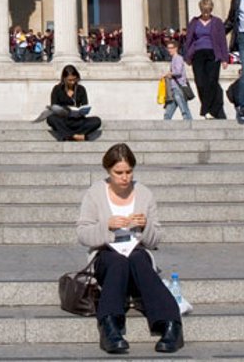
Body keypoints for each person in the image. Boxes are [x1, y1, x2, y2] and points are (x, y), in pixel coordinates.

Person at [76, 143, 183, 355]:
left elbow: (155, 240)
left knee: (137, 258)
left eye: (128, 172)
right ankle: (110, 325)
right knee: (117, 260)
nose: (124, 177)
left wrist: (144, 227)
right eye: (119, 173)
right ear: (108, 171)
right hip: (106, 255)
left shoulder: (144, 193)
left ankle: (171, 323)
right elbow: (82, 234)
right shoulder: (95, 193)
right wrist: (107, 226)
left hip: (136, 254)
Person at [182, 0, 230, 119]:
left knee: (212, 81)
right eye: (204, 11)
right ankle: (208, 108)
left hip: (213, 53)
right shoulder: (194, 22)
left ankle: (206, 110)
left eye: (208, 11)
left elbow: (222, 40)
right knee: (200, 82)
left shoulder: (217, 22)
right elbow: (189, 39)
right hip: (198, 53)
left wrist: (225, 58)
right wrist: (187, 55)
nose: (206, 14)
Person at [43, 65, 102, 142]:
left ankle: (67, 135)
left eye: (74, 79)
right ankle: (74, 136)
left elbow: (85, 105)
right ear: (64, 79)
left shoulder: (81, 89)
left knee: (97, 121)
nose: (72, 82)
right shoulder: (57, 89)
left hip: (78, 121)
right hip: (64, 120)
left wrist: (81, 112)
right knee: (51, 118)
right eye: (69, 80)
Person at [161, 40, 192, 121]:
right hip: (173, 88)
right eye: (168, 48)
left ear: (176, 48)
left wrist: (168, 74)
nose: (169, 50)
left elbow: (178, 71)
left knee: (184, 110)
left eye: (171, 48)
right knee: (168, 113)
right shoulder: (173, 59)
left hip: (178, 88)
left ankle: (189, 125)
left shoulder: (178, 58)